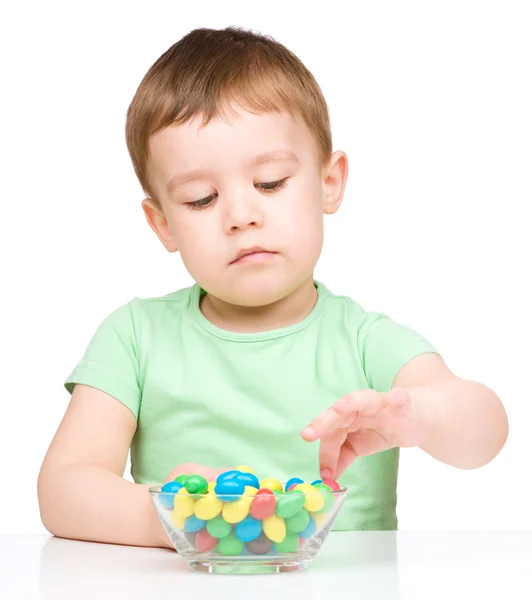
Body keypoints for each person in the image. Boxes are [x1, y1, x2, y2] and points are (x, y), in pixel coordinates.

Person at [37, 26, 508, 550]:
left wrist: (420, 415)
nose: (241, 215)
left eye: (269, 184)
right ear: (163, 224)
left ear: (329, 183)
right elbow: (63, 488)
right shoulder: (134, 337)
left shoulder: (364, 341)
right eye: (200, 198)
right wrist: (169, 518)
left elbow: (485, 431)